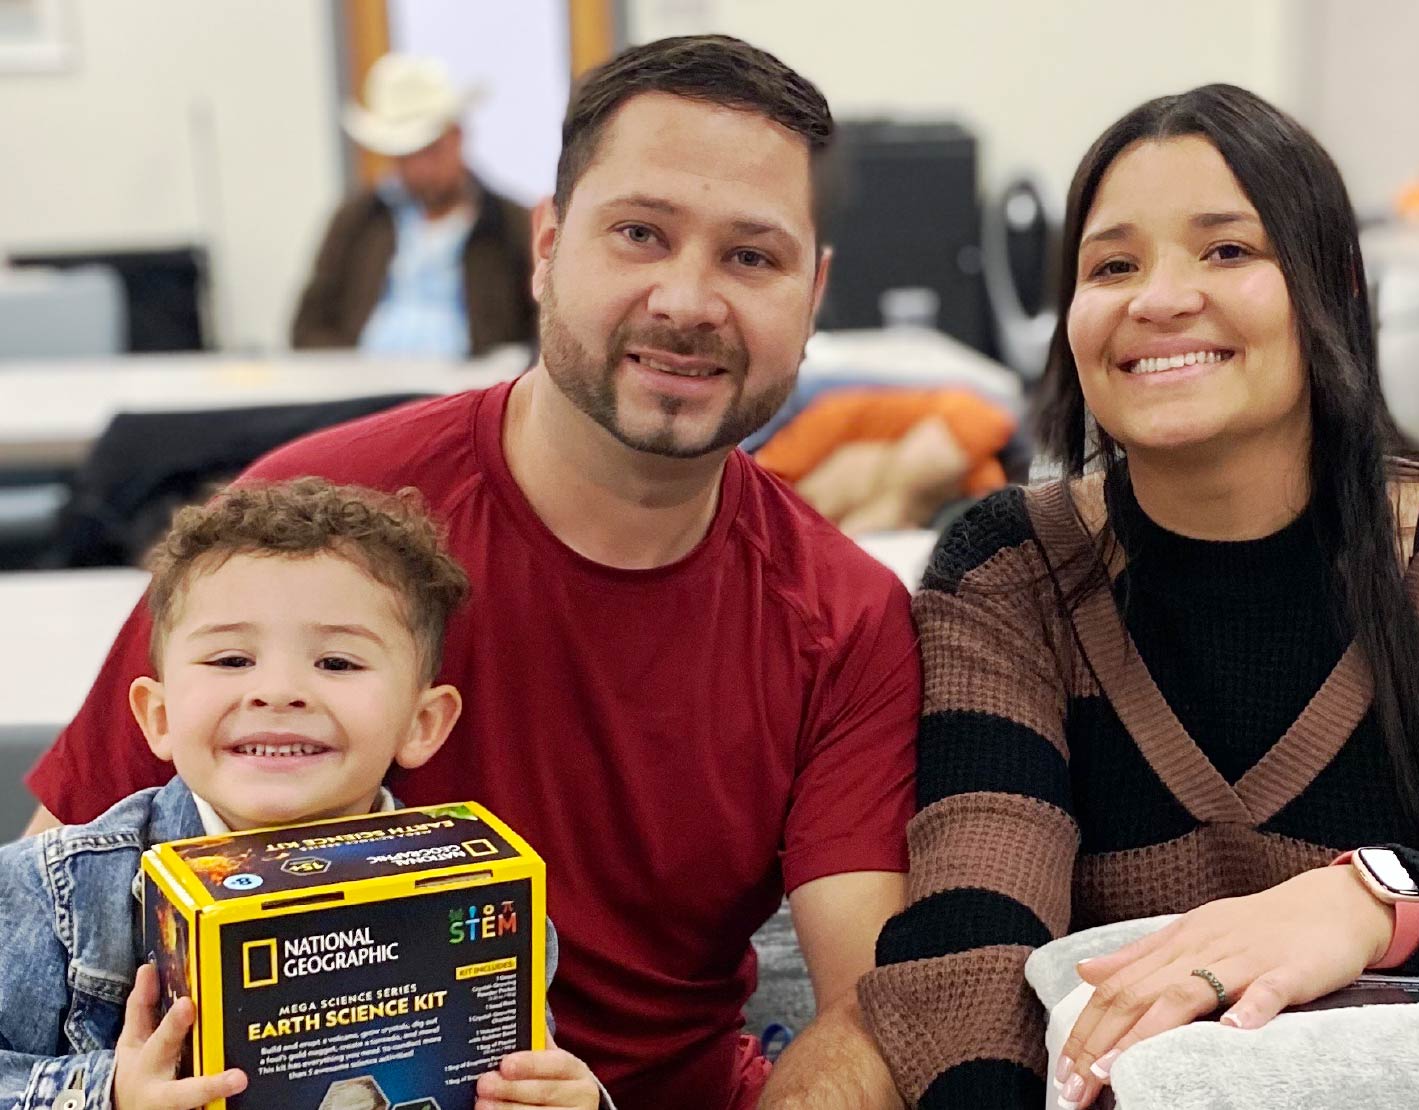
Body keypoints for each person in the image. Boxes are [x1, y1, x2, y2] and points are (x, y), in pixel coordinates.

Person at [27, 36, 918, 1110]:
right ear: (546, 247)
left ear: (813, 293)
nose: (687, 299)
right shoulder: (304, 530)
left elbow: (865, 1012)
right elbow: (53, 894)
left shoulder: (846, 619)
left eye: (751, 257)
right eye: (637, 233)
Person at [856, 84, 1419, 1109]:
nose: (1158, 298)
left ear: (1332, 288)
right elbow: (976, 918)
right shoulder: (1009, 569)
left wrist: (1373, 898)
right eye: (1111, 265)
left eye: (1226, 251)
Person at [0, 478, 606, 1110]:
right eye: (232, 660)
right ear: (158, 716)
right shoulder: (50, 893)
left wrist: (569, 1101)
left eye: (337, 663)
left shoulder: (487, 907)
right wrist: (109, 1096)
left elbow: (522, 1073)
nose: (279, 691)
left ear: (422, 724)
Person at [291, 53, 538, 358]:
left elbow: (542, 326)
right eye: (405, 156)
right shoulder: (357, 220)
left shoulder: (510, 224)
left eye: (430, 151)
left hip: (473, 392)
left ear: (457, 137)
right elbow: (307, 327)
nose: (420, 169)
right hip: (367, 391)